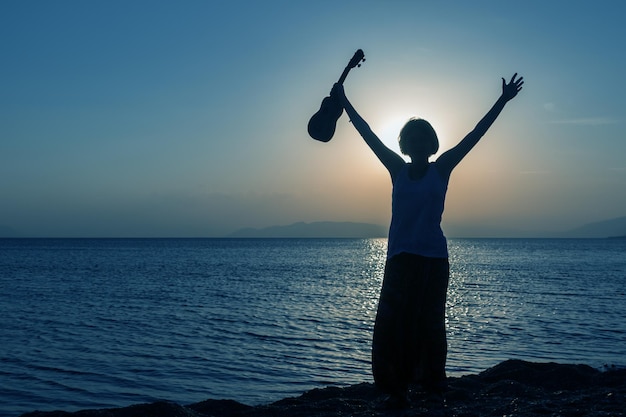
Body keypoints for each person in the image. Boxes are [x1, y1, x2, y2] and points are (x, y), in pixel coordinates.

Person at [332, 73, 524, 408]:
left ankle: (434, 385)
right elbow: (367, 134)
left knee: (431, 323)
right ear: (405, 144)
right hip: (400, 258)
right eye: (411, 138)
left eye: (423, 138)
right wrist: (344, 100)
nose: (417, 143)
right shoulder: (397, 169)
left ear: (430, 143)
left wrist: (502, 101)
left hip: (434, 259)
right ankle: (396, 388)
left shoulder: (442, 168)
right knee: (394, 324)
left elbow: (474, 135)